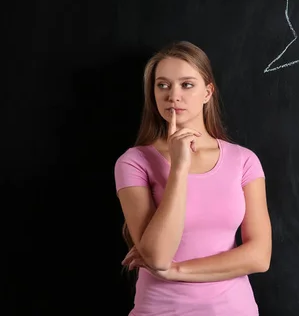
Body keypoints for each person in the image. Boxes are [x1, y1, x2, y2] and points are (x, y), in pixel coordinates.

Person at [114, 41, 272, 315]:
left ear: (207, 92)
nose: (173, 95)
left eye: (187, 84)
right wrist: (178, 168)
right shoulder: (134, 162)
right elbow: (157, 255)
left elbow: (259, 256)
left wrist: (175, 270)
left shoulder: (244, 161)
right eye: (162, 85)